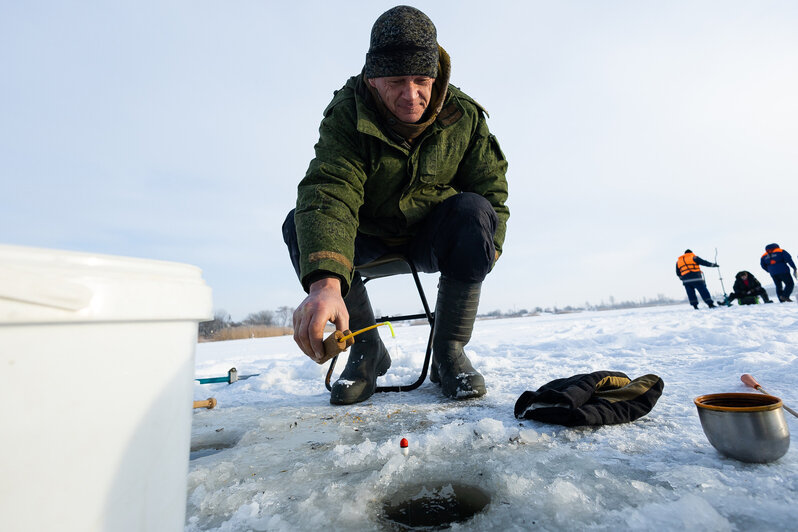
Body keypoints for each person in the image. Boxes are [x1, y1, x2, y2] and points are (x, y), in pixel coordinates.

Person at [282, 6, 509, 405]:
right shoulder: (346, 115)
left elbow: (491, 193)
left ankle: (448, 353)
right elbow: (330, 189)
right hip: (365, 237)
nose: (412, 95)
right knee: (301, 222)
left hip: (430, 238)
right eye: (396, 81)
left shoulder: (464, 117)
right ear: (372, 79)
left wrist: (487, 249)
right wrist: (324, 283)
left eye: (422, 80)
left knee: (474, 213)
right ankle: (367, 352)